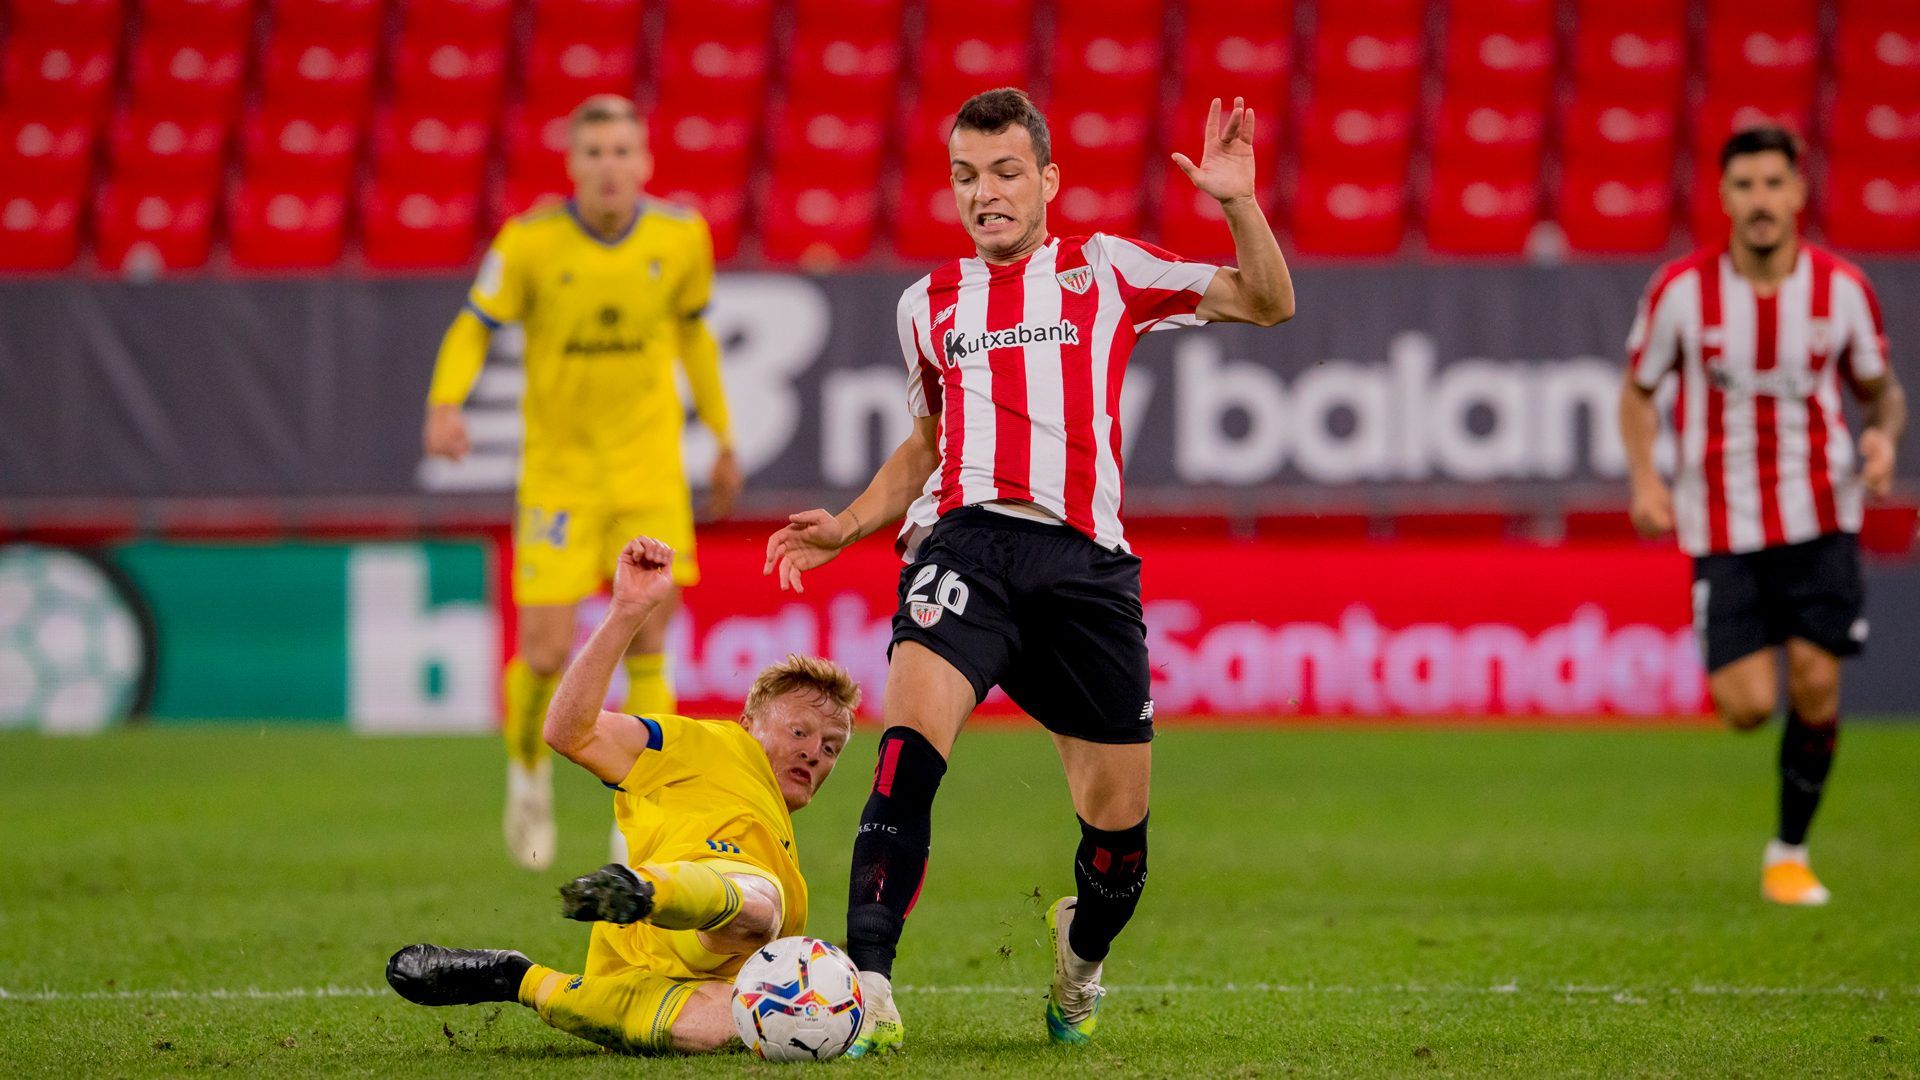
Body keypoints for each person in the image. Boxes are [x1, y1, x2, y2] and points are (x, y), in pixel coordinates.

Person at [763, 87, 1295, 1053]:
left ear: (1049, 180)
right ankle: (865, 984)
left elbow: (1269, 302)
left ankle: (1079, 958)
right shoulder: (925, 306)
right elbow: (929, 441)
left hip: (1087, 567)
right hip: (965, 544)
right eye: (966, 176)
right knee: (905, 754)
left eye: (1006, 172)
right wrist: (847, 523)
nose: (985, 193)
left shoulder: (1105, 269)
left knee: (1119, 839)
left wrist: (1236, 202)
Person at [422, 94, 743, 870]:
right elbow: (475, 322)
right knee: (543, 652)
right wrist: (444, 403)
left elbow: (694, 333)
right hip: (560, 480)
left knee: (654, 636)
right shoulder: (530, 243)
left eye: (622, 150)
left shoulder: (681, 236)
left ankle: (641, 811)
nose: (609, 165)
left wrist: (723, 435)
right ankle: (527, 770)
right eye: (593, 151)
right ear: (572, 163)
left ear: (644, 162)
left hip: (648, 472)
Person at [386, 536, 858, 1055]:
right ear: (747, 725)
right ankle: (647, 890)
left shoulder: (782, 846)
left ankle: (517, 978)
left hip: (648, 970)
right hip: (671, 907)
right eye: (799, 733)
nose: (815, 753)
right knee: (762, 908)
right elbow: (570, 732)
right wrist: (625, 613)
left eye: (831, 747)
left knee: (744, 1027)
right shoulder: (711, 745)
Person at [1619, 126, 1905, 906]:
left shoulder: (1841, 289)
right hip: (1721, 523)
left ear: (1798, 193)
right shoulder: (1681, 291)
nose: (1760, 201)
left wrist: (1881, 442)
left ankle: (1789, 852)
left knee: (1816, 684)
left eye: (1773, 183)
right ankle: (1784, 823)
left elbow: (1882, 390)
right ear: (1724, 198)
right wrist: (1647, 479)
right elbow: (1638, 391)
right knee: (1746, 708)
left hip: (1822, 514)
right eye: (1744, 186)